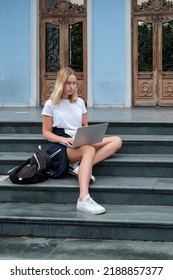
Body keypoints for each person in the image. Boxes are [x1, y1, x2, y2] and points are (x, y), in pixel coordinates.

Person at [42, 67, 122, 215]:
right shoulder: (51, 104)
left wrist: (89, 134)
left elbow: (84, 124)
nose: (72, 87)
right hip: (61, 145)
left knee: (116, 141)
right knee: (89, 150)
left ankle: (80, 168)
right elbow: (46, 132)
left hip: (80, 138)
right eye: (68, 83)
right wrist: (63, 139)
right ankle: (83, 199)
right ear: (61, 83)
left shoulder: (79, 102)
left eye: (74, 83)